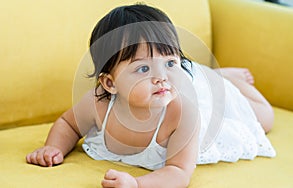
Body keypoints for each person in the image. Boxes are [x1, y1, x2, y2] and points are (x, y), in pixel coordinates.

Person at [26, 4, 276, 188]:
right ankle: (210, 73)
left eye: (170, 62)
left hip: (198, 92)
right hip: (183, 81)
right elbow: (68, 124)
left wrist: (137, 184)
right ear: (110, 83)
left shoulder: (183, 114)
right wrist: (53, 147)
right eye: (143, 69)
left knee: (265, 119)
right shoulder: (98, 103)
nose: (161, 77)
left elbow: (178, 171)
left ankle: (225, 79)